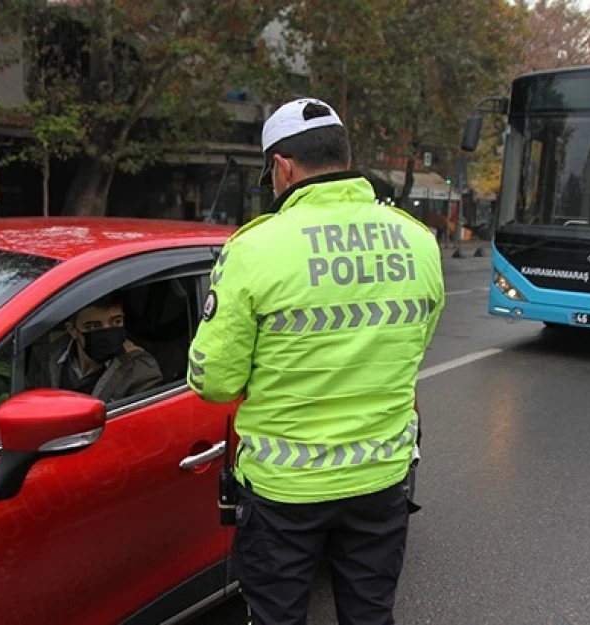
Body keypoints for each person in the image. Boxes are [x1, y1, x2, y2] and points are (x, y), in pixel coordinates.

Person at [187, 97, 445, 624]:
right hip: (380, 481)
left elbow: (214, 381)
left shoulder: (255, 249)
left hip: (285, 492)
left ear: (281, 167)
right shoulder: (418, 242)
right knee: (370, 616)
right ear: (343, 155)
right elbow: (415, 346)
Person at [30, 293, 163, 404]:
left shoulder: (140, 370)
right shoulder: (47, 354)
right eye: (94, 327)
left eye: (116, 322)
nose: (107, 334)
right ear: (72, 330)